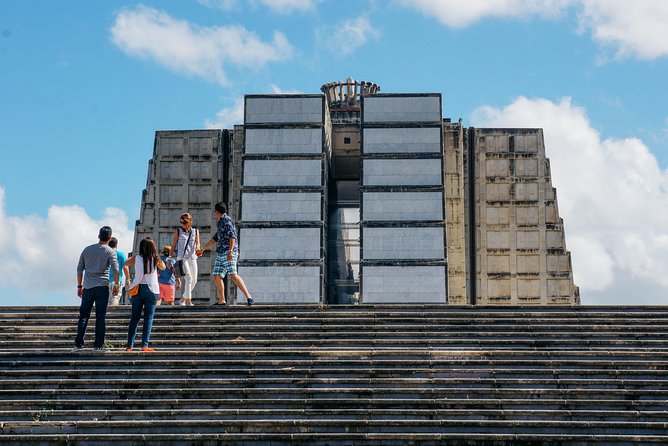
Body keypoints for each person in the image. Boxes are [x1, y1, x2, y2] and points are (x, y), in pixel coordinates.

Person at [75, 226, 120, 351]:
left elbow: (79, 268)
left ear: (98, 236)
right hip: (102, 287)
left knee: (83, 316)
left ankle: (78, 344)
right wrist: (116, 285)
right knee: (100, 317)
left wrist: (80, 285)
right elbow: (116, 270)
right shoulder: (111, 252)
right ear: (110, 238)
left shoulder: (87, 249)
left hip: (88, 287)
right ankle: (98, 345)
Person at [201, 202, 254, 306]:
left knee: (233, 275)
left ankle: (249, 297)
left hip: (228, 252)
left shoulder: (227, 220)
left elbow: (232, 236)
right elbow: (215, 238)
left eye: (215, 211)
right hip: (221, 252)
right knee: (217, 275)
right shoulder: (220, 222)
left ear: (216, 211)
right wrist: (203, 248)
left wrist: (230, 251)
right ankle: (222, 301)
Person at [124, 237, 165, 352]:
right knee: (148, 318)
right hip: (151, 289)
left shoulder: (136, 258)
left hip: (137, 289)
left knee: (134, 318)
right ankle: (144, 345)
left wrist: (128, 278)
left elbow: (125, 263)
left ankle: (129, 346)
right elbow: (164, 267)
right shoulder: (156, 258)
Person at [170, 213, 200, 306]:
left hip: (193, 257)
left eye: (185, 222)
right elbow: (173, 244)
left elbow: (197, 243)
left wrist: (198, 248)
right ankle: (188, 301)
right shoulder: (178, 231)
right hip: (182, 257)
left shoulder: (195, 231)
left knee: (194, 280)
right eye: (181, 222)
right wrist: (170, 257)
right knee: (189, 278)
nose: (183, 224)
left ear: (190, 221)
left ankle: (183, 298)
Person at [107, 237, 127, 306]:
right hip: (117, 281)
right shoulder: (120, 254)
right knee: (115, 298)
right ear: (116, 245)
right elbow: (125, 267)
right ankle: (111, 315)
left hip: (104, 281)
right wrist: (128, 279)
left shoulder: (105, 253)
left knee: (106, 300)